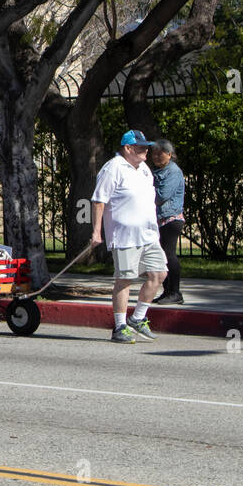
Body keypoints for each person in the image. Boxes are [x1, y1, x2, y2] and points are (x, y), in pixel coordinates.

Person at [90, 129, 165, 343]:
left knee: (159, 274)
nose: (146, 151)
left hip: (148, 234)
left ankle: (138, 318)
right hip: (125, 236)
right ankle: (119, 326)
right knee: (124, 279)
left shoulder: (143, 169)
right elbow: (99, 200)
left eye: (147, 147)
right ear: (128, 148)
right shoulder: (113, 168)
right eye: (141, 147)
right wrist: (97, 231)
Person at [150, 139, 185, 305]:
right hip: (159, 219)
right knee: (161, 256)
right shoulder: (158, 171)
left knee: (168, 254)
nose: (156, 157)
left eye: (160, 153)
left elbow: (162, 195)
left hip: (171, 219)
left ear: (169, 154)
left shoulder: (173, 172)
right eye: (154, 154)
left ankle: (175, 292)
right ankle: (167, 291)